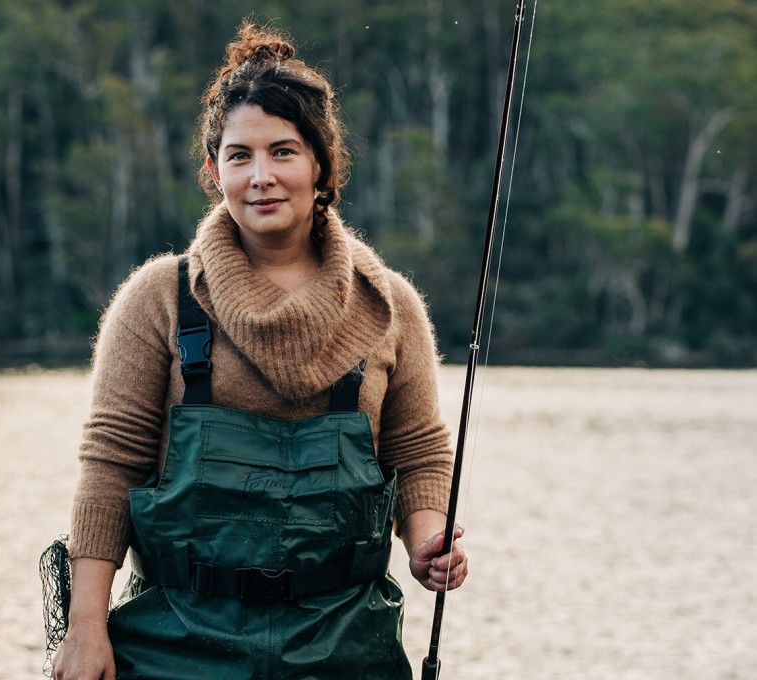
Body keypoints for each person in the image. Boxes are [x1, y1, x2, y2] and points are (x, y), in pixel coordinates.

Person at [52, 20, 468, 680]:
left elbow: (417, 450)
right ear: (215, 172)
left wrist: (426, 542)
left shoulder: (390, 306)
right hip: (174, 647)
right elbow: (112, 467)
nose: (261, 176)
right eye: (240, 156)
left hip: (345, 646)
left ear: (321, 164)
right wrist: (86, 630)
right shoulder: (157, 299)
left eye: (283, 151)